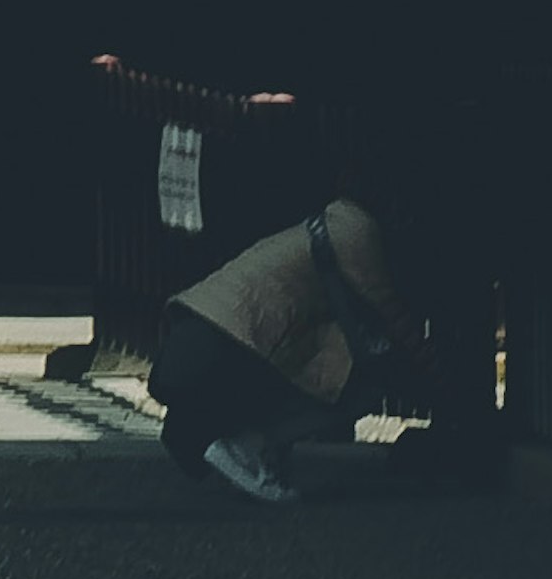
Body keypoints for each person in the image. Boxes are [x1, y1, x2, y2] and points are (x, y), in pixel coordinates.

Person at [152, 179, 409, 506]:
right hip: (226, 348)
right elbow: (385, 306)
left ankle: (243, 445)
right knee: (361, 384)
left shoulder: (318, 227)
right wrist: (423, 361)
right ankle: (255, 446)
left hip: (191, 342)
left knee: (314, 364)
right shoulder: (355, 232)